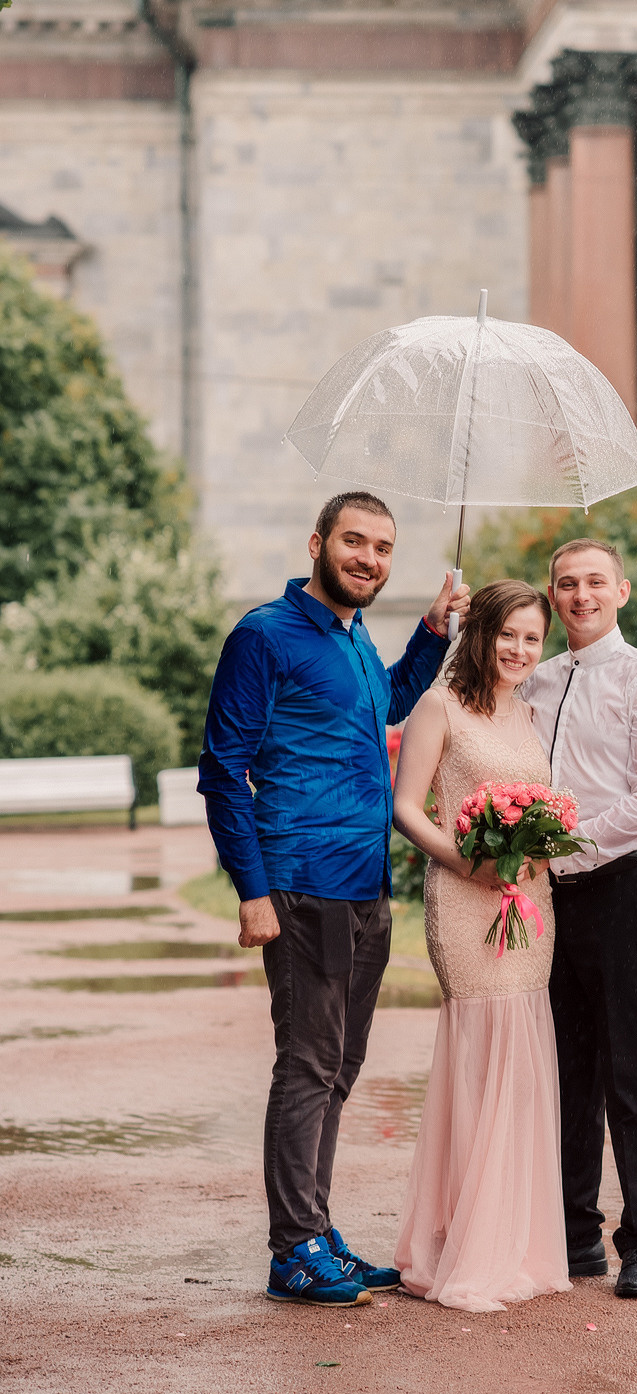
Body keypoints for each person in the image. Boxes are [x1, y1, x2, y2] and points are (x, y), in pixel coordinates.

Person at [197, 490, 469, 1308]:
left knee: (340, 1066)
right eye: (355, 541)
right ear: (318, 542)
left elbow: (386, 704)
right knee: (309, 1062)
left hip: (364, 883)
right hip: (300, 879)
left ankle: (315, 1229)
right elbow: (222, 770)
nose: (369, 559)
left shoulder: (353, 638)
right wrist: (252, 892)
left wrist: (430, 634)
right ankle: (293, 1251)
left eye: (383, 548)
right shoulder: (263, 635)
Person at [391, 580, 571, 1313]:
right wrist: (471, 862)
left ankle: (518, 1244)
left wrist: (535, 848)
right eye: (509, 634)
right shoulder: (440, 705)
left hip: (530, 903)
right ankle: (462, 1245)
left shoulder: (529, 713)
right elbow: (405, 807)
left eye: (533, 638)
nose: (521, 650)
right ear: (481, 630)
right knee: (479, 1054)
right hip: (465, 899)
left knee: (522, 1059)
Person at [521, 540, 637, 1299]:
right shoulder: (534, 680)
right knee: (567, 1066)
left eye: (594, 582)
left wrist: (568, 850)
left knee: (632, 1066)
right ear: (551, 597)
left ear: (621, 589)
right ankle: (575, 1232)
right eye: (565, 584)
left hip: (622, 887)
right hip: (548, 896)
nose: (580, 595)